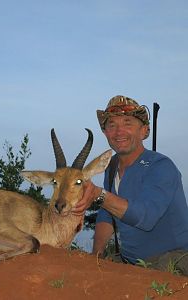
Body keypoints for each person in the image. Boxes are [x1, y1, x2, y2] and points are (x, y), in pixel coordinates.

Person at [72, 95, 188, 275]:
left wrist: (98, 194)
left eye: (128, 123)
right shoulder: (111, 167)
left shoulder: (162, 166)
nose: (119, 132)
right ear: (105, 133)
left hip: (173, 261)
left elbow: (146, 217)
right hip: (131, 263)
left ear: (144, 131)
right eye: (112, 125)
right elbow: (106, 214)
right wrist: (96, 255)